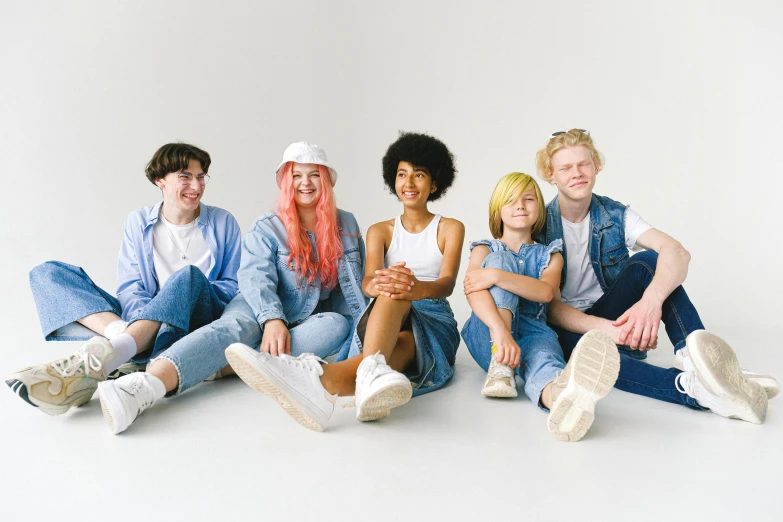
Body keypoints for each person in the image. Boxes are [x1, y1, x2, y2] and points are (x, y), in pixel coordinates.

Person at [97, 141, 368, 434]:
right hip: (257, 305)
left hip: (304, 320)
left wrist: (359, 353)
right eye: (296, 175)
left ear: (326, 180)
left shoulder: (346, 223)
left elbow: (350, 289)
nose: (305, 183)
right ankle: (144, 388)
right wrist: (272, 318)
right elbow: (254, 277)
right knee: (235, 329)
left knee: (336, 326)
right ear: (286, 182)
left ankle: (225, 365)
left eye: (314, 174)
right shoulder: (269, 225)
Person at [226, 132, 464, 431]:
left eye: (419, 175)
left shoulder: (451, 227)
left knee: (395, 336)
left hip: (432, 315)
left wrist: (414, 288)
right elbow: (366, 283)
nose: (409, 183)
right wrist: (378, 285)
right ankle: (339, 384)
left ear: (435, 183)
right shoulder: (379, 230)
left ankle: (316, 380)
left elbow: (447, 284)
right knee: (389, 296)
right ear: (394, 180)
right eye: (402, 174)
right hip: (388, 316)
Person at [535, 129, 777, 424]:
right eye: (566, 168)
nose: (577, 173)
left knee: (651, 261)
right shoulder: (539, 226)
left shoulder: (614, 214)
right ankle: (694, 389)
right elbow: (553, 308)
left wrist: (649, 302)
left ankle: (694, 356)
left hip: (615, 314)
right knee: (599, 360)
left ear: (596, 166)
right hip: (570, 328)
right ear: (551, 175)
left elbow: (677, 252)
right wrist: (613, 331)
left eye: (583, 164)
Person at [6, 143, 241, 417]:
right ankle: (126, 346)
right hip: (142, 322)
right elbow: (130, 288)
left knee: (188, 277)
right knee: (46, 273)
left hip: (195, 320)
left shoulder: (223, 222)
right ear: (160, 180)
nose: (196, 185)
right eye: (185, 176)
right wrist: (144, 323)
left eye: (201, 177)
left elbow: (231, 288)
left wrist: (171, 305)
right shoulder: (138, 221)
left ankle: (111, 356)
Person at [461, 172, 620, 441]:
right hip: (488, 332)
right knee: (501, 261)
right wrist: (501, 333)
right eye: (511, 200)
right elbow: (473, 292)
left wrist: (497, 277)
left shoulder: (550, 253)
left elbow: (546, 293)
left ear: (539, 208)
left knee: (545, 363)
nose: (521, 205)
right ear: (497, 210)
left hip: (535, 329)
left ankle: (561, 399)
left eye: (529, 199)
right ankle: (500, 367)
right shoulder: (486, 249)